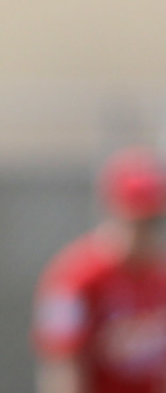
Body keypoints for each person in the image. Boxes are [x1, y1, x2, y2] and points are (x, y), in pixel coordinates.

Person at [31, 146, 166, 393]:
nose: (145, 233)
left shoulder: (159, 276)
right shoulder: (74, 277)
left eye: (153, 222)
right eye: (136, 221)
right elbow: (61, 364)